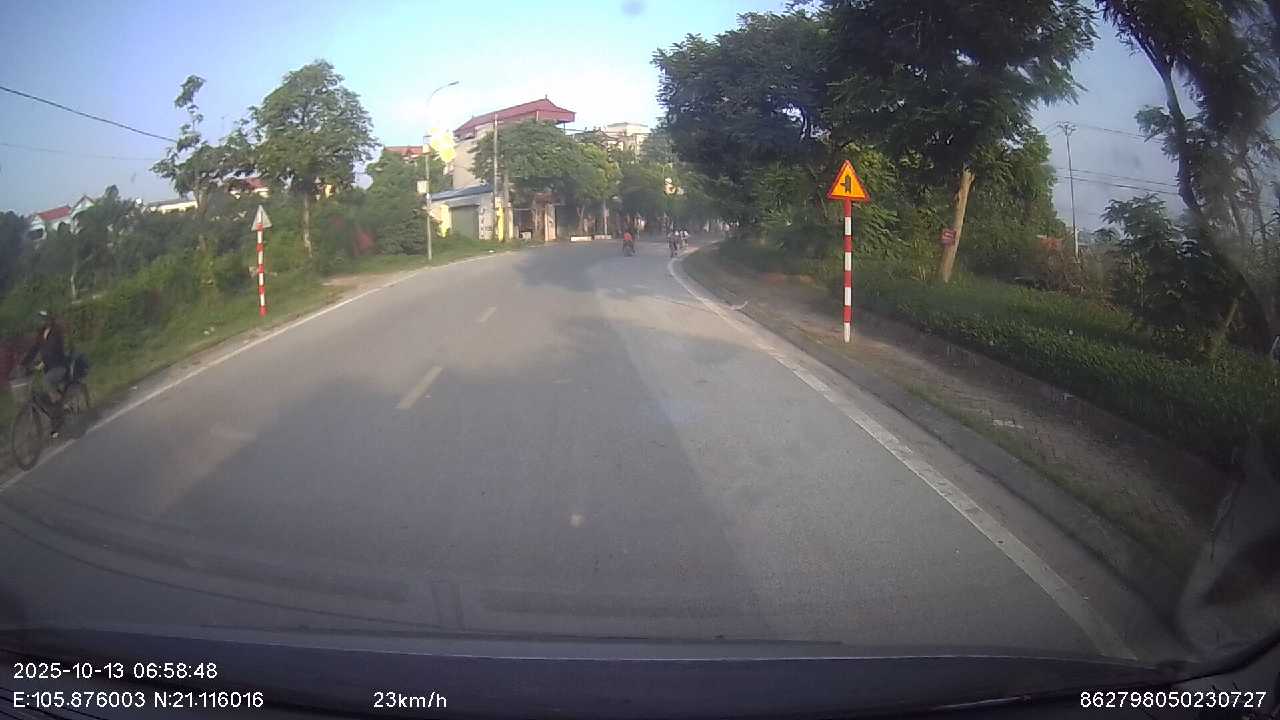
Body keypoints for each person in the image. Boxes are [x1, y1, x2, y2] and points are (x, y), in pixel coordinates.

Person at [21, 311, 69, 436]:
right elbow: (34, 349)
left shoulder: (55, 333)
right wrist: (23, 363)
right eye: (40, 320)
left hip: (59, 366)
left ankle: (62, 405)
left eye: (44, 319)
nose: (42, 322)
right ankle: (55, 409)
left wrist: (42, 362)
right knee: (43, 390)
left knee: (47, 381)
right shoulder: (41, 335)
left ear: (49, 320)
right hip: (49, 368)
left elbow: (53, 350)